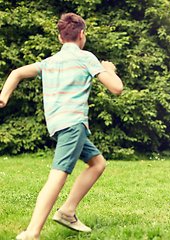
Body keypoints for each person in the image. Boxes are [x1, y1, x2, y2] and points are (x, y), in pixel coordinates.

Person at [0, 13, 123, 240]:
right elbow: (116, 88)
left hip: (57, 125)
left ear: (60, 37)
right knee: (58, 176)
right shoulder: (86, 58)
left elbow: (16, 73)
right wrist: (110, 70)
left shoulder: (50, 62)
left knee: (97, 163)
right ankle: (32, 232)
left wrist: (3, 97)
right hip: (73, 124)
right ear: (82, 34)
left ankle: (67, 211)